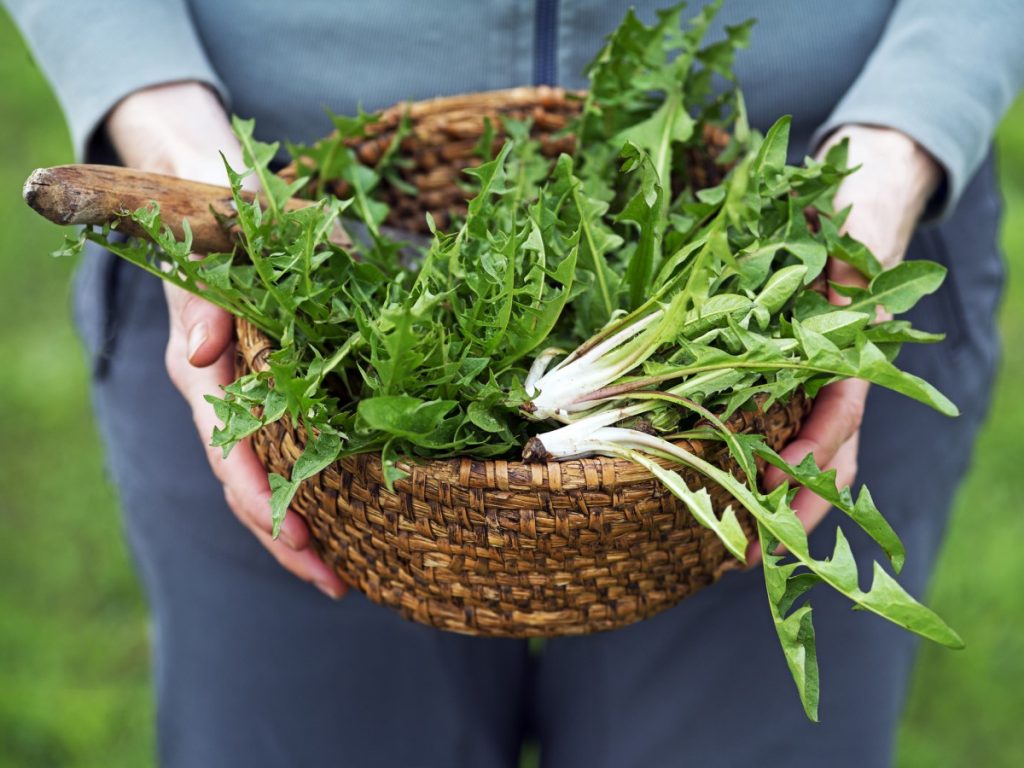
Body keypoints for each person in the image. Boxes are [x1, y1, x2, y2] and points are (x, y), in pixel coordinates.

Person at [5, 1, 1022, 765]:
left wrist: (901, 136)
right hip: (269, 235)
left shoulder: (821, 227)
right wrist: (160, 114)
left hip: (802, 243)